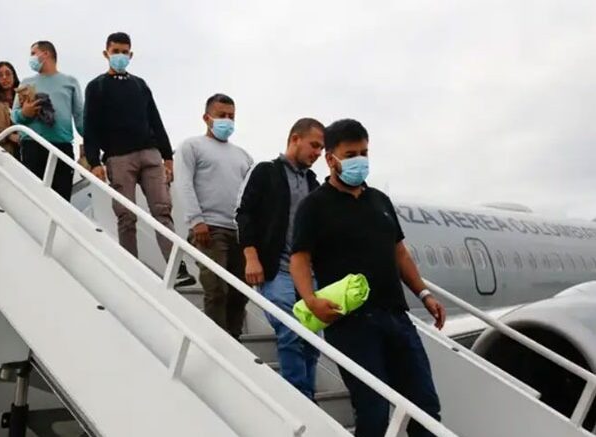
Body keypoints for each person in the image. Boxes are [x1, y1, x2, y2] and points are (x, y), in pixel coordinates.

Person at [290, 119, 445, 436]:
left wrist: (424, 294)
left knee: (425, 407)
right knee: (373, 412)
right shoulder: (314, 206)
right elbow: (299, 259)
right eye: (351, 155)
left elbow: (400, 253)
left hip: (396, 317)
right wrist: (311, 300)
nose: (360, 160)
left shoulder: (380, 201)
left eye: (364, 153)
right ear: (331, 159)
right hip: (352, 323)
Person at [83, 31, 194, 287]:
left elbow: (155, 119)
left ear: (131, 54)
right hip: (118, 156)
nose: (120, 56)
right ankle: (130, 267)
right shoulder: (97, 86)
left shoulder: (140, 85)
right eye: (116, 51)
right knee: (126, 215)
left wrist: (167, 155)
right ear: (106, 53)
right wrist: (94, 161)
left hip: (150, 152)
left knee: (162, 210)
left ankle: (176, 268)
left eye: (124, 52)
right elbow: (91, 125)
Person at [236, 117, 325, 398]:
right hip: (277, 270)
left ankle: (307, 397)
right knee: (290, 332)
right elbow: (244, 214)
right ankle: (298, 399)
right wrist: (251, 257)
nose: (318, 153)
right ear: (295, 139)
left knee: (312, 340)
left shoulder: (313, 183)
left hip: (308, 273)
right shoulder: (266, 172)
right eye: (314, 145)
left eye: (322, 149)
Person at [176, 93, 253, 339]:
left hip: (238, 232)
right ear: (206, 117)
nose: (227, 120)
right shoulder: (192, 146)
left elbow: (249, 195)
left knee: (240, 292)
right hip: (209, 229)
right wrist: (196, 220)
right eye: (222, 115)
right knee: (216, 290)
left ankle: (234, 340)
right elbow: (184, 183)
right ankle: (216, 343)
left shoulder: (244, 156)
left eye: (231, 116)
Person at [12, 40, 84, 201]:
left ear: (46, 54)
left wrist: (93, 144)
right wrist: (25, 113)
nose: (31, 58)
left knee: (62, 199)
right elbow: (14, 116)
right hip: (32, 146)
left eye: (33, 53)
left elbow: (80, 117)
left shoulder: (70, 82)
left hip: (62, 147)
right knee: (34, 199)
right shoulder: (26, 83)